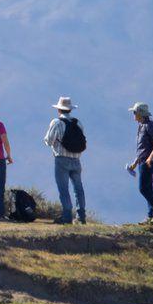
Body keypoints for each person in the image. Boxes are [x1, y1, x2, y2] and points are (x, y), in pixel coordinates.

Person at [42, 96, 86, 224]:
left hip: (61, 159)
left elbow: (49, 141)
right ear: (70, 110)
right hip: (76, 159)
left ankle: (66, 216)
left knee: (63, 189)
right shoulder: (77, 123)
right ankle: (81, 216)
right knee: (78, 188)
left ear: (59, 110)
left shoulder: (56, 122)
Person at [126, 102, 153, 225]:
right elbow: (142, 149)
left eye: (134, 112)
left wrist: (150, 158)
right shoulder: (142, 126)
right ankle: (151, 216)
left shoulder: (149, 125)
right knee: (147, 188)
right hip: (142, 162)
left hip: (148, 163)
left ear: (140, 113)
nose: (133, 114)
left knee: (143, 188)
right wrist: (134, 163)